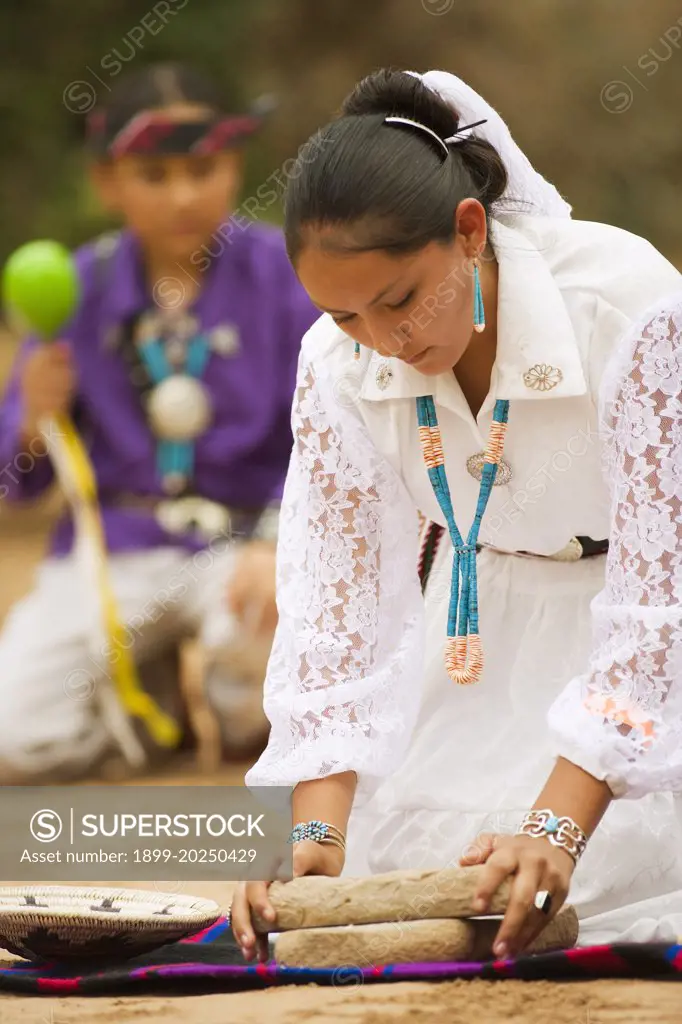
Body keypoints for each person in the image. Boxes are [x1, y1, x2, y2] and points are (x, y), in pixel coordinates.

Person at [231, 68, 682, 962]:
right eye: (342, 313)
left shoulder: (630, 308)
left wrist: (555, 825)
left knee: (606, 881)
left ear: (469, 231)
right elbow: (336, 611)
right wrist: (319, 850)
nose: (382, 342)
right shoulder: (337, 362)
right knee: (401, 884)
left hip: (645, 654)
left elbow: (659, 611)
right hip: (479, 643)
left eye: (400, 300)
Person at [0, 62, 318, 781]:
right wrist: (33, 422)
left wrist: (279, 542)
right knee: (14, 738)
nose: (183, 194)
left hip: (247, 550)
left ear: (235, 166)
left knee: (274, 696)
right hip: (115, 554)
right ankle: (148, 709)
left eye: (204, 169)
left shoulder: (290, 275)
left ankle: (241, 715)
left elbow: (328, 438)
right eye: (155, 175)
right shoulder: (74, 287)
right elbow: (17, 486)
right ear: (108, 182)